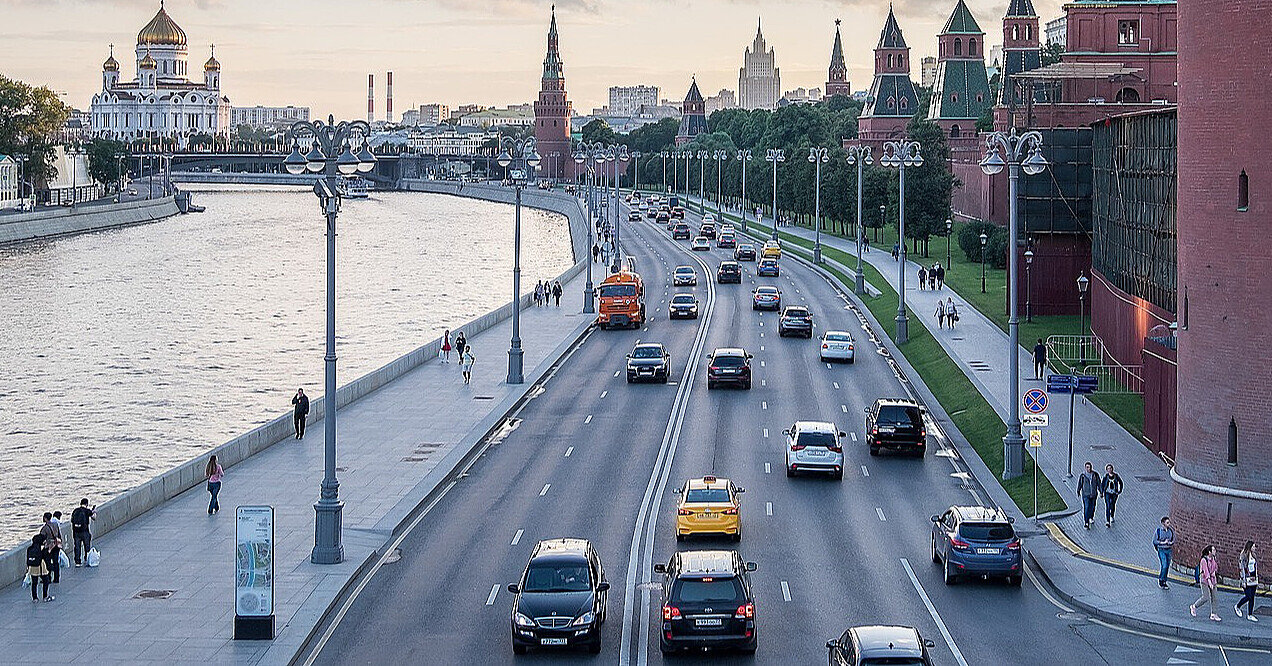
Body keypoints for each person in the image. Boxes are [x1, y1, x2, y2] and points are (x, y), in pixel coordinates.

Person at [1190, 545, 1222, 622]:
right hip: (1205, 580)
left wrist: (1214, 572)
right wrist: (1209, 582)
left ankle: (1213, 614)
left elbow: (1216, 567)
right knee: (1205, 597)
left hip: (1213, 580)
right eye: (1213, 550)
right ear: (1209, 552)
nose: (1215, 551)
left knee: (1214, 597)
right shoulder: (1204, 560)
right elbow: (1206, 572)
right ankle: (1194, 606)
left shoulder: (1213, 558)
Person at [1236, 541, 1259, 621]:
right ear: (1249, 547)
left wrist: (1256, 577)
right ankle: (1238, 606)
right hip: (1246, 578)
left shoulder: (1254, 555)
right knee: (1248, 596)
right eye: (1253, 547)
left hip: (1253, 578)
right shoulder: (1243, 555)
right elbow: (1241, 568)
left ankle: (1250, 614)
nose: (1254, 548)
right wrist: (1243, 581)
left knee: (1252, 597)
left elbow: (1255, 567)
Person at [26, 534, 52, 602]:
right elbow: (46, 557)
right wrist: (49, 550)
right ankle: (45, 596)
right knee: (46, 581)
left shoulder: (30, 548)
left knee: (34, 583)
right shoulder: (42, 548)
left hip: (32, 567)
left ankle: (35, 598)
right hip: (41, 567)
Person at [70, 498, 95, 567]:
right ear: (87, 504)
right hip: (85, 531)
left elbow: (72, 520)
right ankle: (87, 559)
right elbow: (94, 518)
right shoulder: (87, 511)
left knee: (77, 546)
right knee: (87, 546)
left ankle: (77, 561)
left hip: (76, 532)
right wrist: (94, 512)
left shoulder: (75, 510)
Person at [39, 512, 62, 584]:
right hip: (56, 544)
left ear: (45, 518)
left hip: (49, 546)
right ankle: (56, 578)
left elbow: (41, 538)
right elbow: (59, 535)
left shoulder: (44, 528)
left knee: (47, 562)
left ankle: (48, 578)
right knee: (56, 561)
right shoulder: (55, 525)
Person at [1154, 516, 1176, 589]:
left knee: (1167, 566)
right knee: (1164, 565)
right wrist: (1163, 542)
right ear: (1163, 523)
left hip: (1168, 550)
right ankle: (1161, 580)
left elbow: (1173, 539)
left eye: (1169, 522)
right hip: (1161, 550)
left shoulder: (1171, 531)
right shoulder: (1158, 531)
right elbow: (1155, 541)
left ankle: (1164, 581)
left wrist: (1170, 543)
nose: (1169, 524)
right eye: (1167, 522)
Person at [1077, 462, 1100, 529]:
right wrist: (1078, 491)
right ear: (1085, 468)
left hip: (1093, 494)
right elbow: (1080, 484)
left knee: (1092, 507)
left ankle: (1091, 517)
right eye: (1087, 467)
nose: (1088, 469)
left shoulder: (1095, 475)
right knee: (1086, 507)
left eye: (1089, 467)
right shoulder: (1083, 476)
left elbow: (1099, 483)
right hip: (1086, 494)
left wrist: (1101, 491)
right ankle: (1086, 522)